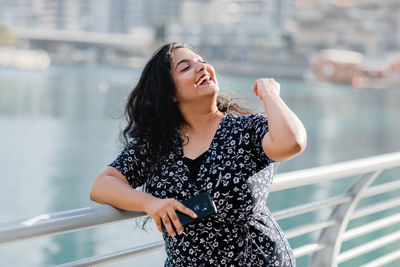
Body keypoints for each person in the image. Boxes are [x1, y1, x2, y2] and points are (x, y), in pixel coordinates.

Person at [90, 42, 306, 266]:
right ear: (170, 93)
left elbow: (292, 142)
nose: (202, 68)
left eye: (202, 62)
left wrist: (270, 93)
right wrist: (150, 203)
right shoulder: (156, 145)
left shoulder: (247, 130)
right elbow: (102, 186)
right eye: (186, 68)